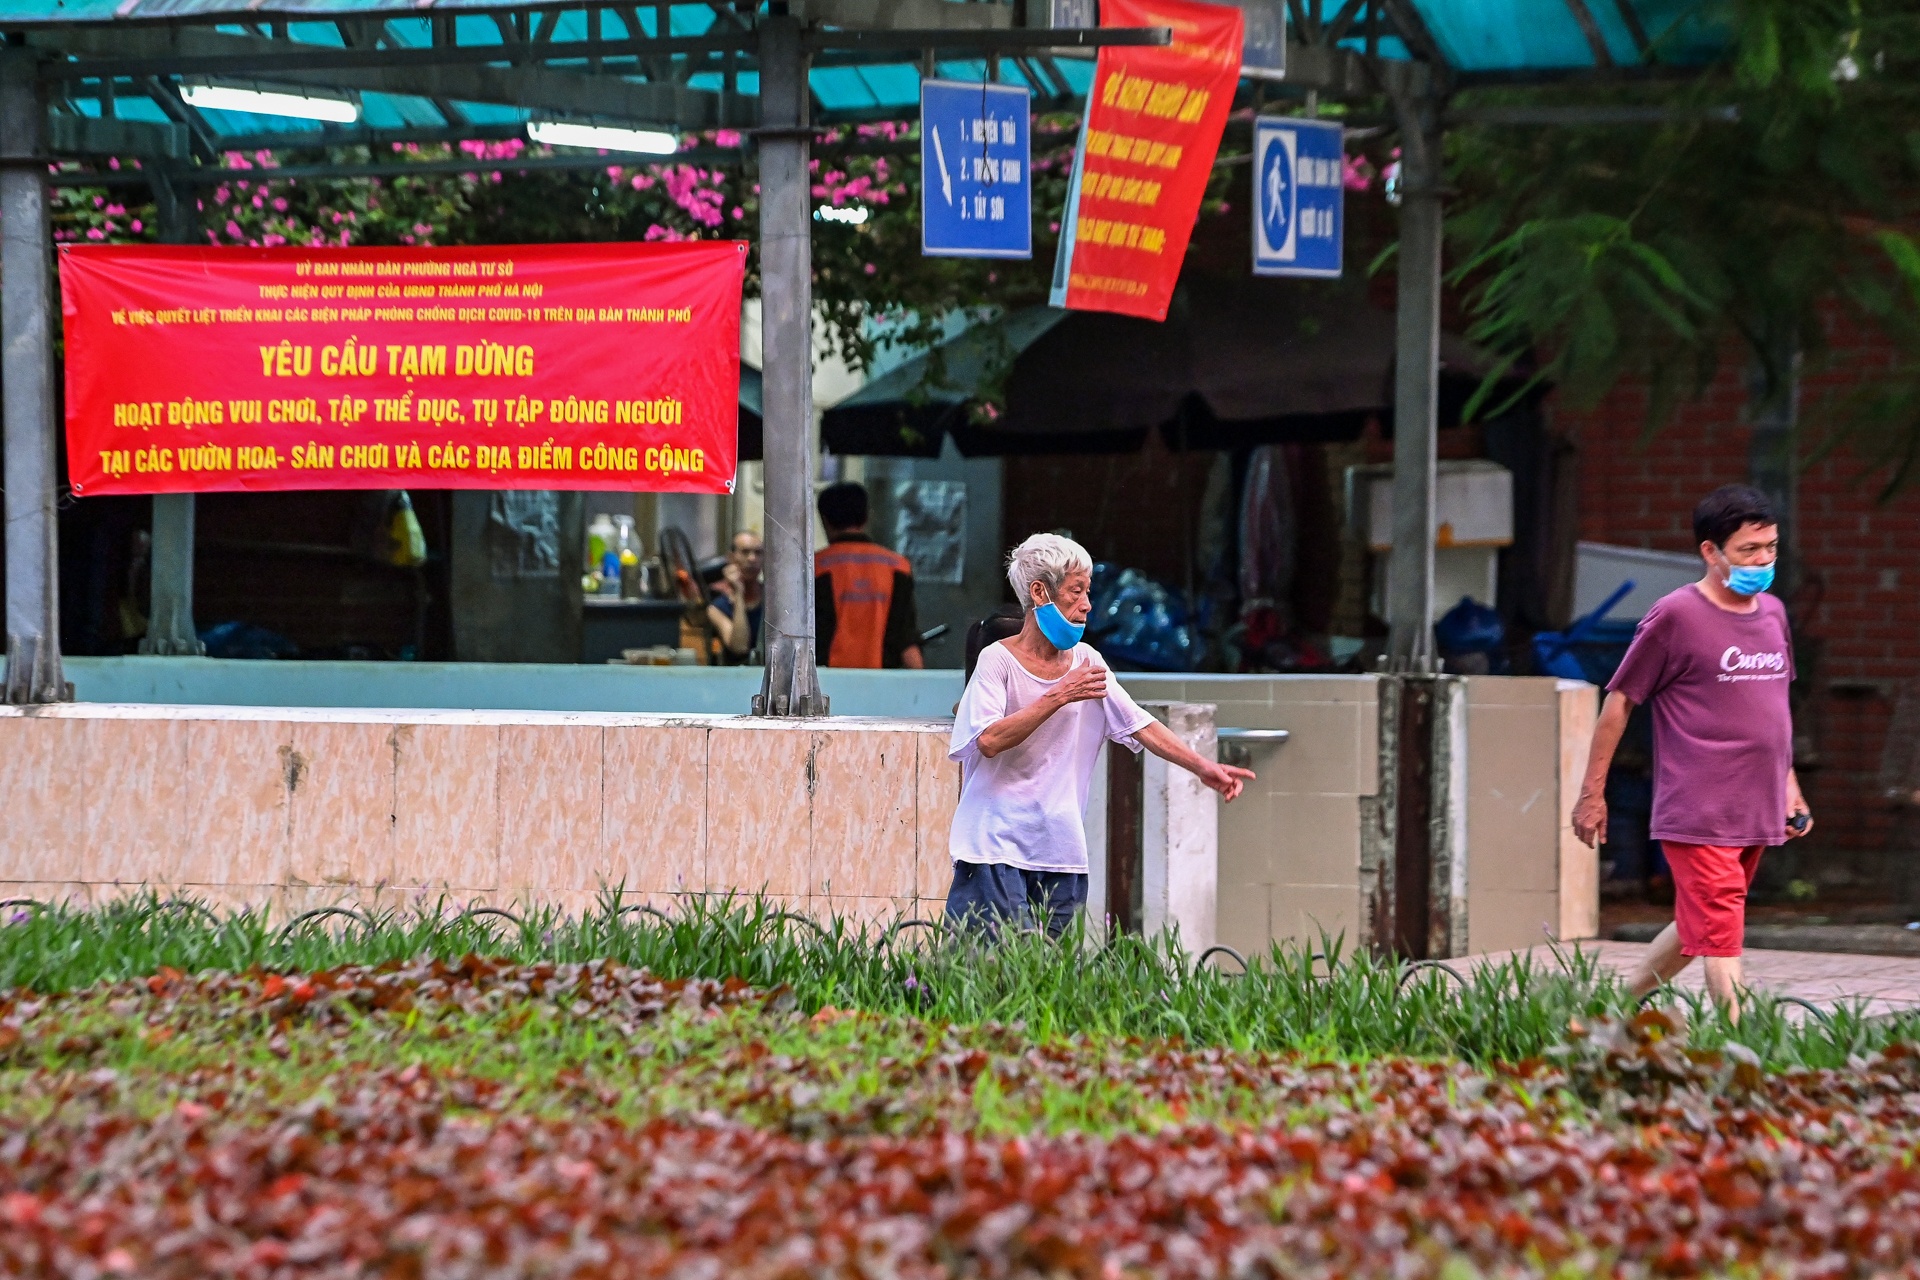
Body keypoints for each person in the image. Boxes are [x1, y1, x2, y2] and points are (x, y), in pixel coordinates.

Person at [1572, 484, 1813, 1021]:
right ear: (1711, 551)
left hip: (1755, 805)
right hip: (1700, 809)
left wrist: (1789, 788)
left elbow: (1773, 715)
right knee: (1723, 935)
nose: (1763, 560)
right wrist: (1593, 795)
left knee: (1700, 922)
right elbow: (1618, 706)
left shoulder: (1773, 613)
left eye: (1771, 547)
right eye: (1749, 550)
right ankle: (1742, 1043)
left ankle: (1605, 1013)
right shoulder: (1676, 615)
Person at [947, 532, 1256, 937]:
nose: (1088, 605)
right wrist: (1059, 695)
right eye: (1076, 592)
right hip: (994, 845)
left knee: (1043, 981)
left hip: (1060, 849)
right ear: (1040, 592)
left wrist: (1203, 767)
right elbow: (988, 739)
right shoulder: (997, 661)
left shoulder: (1088, 661)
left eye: (1087, 592)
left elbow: (1138, 722)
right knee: (994, 969)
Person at [814, 482, 925, 669]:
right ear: (867, 517)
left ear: (824, 519)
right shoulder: (898, 566)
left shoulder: (814, 567)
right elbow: (906, 639)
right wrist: (921, 686)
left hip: (826, 683)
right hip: (883, 683)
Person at [707, 530, 764, 664]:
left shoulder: (772, 600)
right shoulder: (718, 608)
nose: (752, 559)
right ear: (731, 558)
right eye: (745, 552)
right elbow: (740, 647)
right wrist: (738, 593)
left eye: (758, 553)